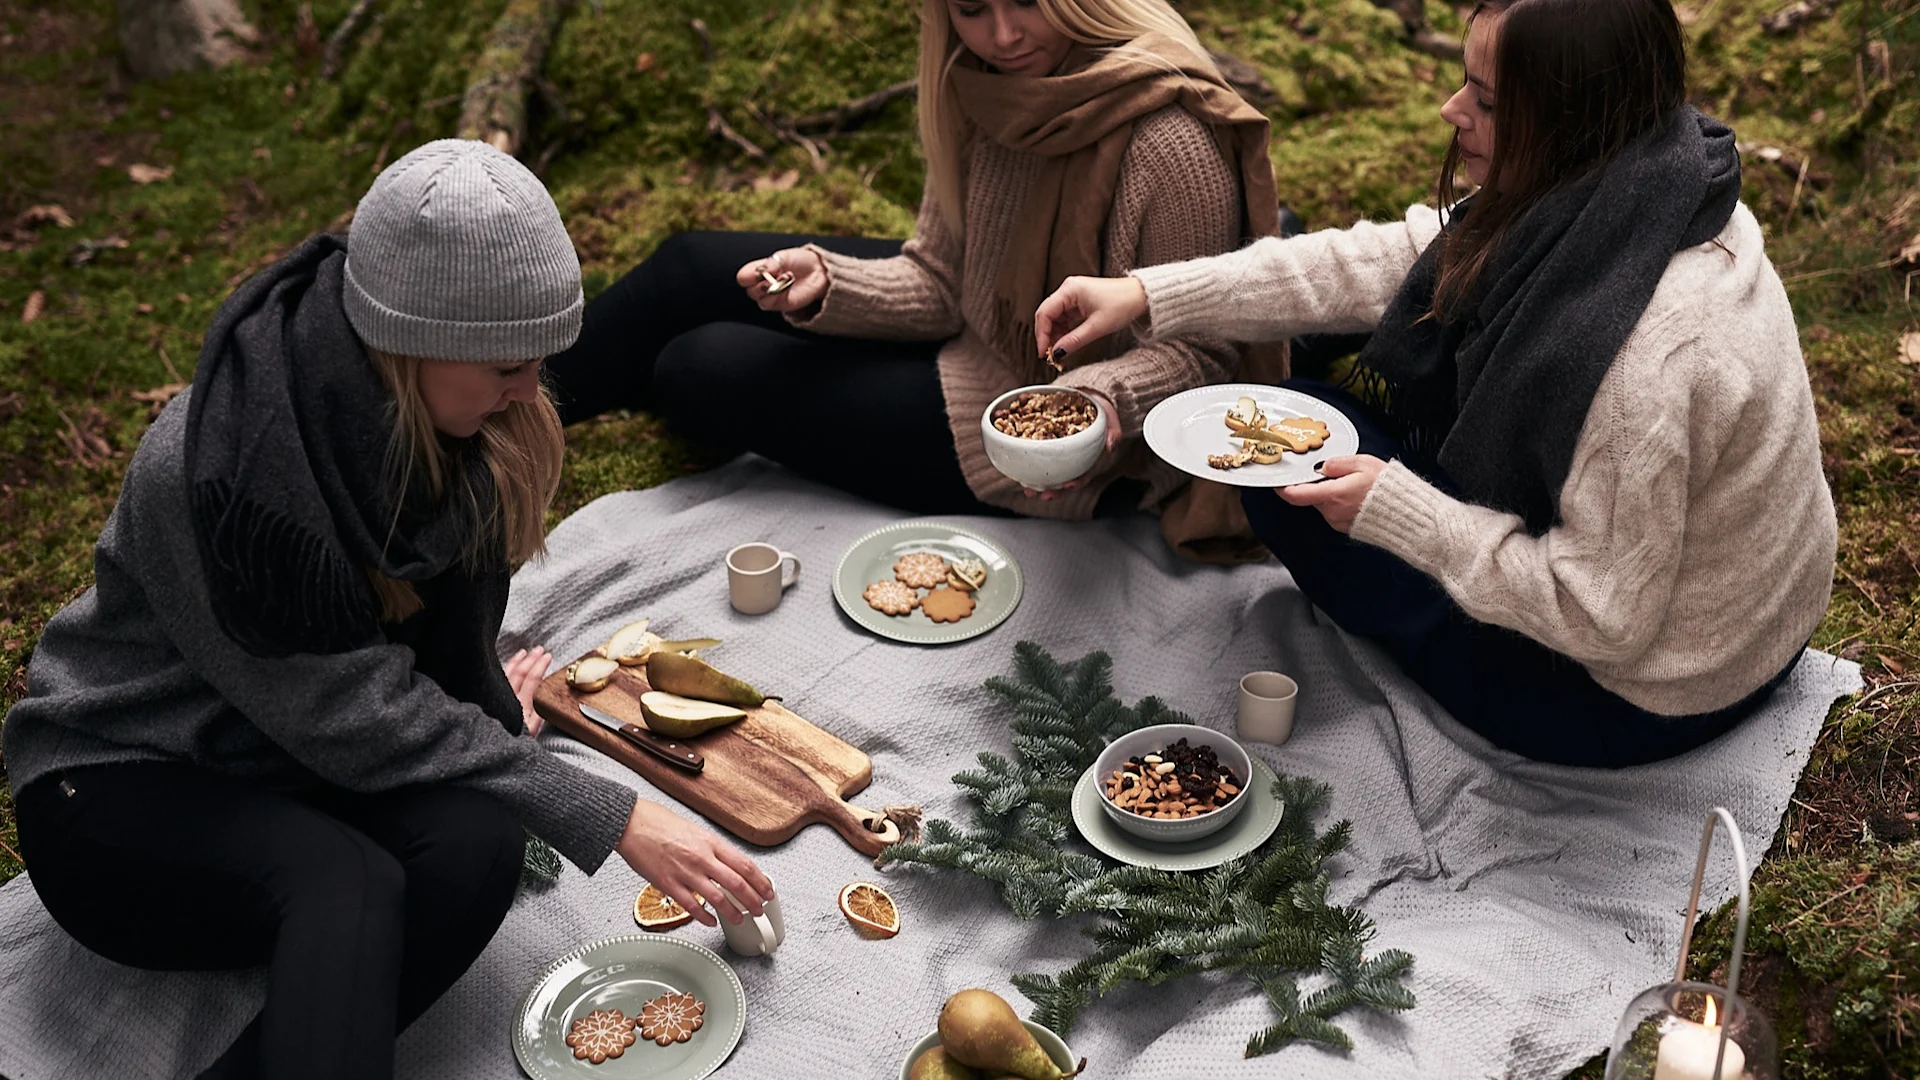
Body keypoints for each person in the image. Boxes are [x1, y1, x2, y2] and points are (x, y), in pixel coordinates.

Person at [3, 140, 770, 1079]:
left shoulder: (470, 422)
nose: (532, 391)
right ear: (409, 343)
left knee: (479, 843)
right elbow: (344, 711)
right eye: (504, 367)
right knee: (347, 881)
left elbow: (431, 665)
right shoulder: (224, 478)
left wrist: (488, 718)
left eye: (536, 360)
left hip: (282, 765)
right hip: (121, 787)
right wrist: (610, 816)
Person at [1033, 0, 1837, 767]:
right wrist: (1148, 295)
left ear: (1570, 116)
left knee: (1283, 478)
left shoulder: (1644, 362)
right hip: (1743, 614)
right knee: (1311, 378)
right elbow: (1389, 262)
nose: (1452, 111)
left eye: (1485, 101)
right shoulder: (1651, 185)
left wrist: (1402, 514)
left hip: (1641, 693)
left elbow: (1606, 619)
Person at [543, 0, 1285, 561]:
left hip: (1057, 431)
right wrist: (829, 285)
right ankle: (490, 415)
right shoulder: (981, 87)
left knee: (694, 369)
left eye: (1026, 1)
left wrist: (1095, 401)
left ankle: (502, 420)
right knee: (687, 264)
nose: (1002, 35)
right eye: (970, 8)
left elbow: (1205, 361)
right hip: (981, 332)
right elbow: (941, 281)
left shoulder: (1172, 138)